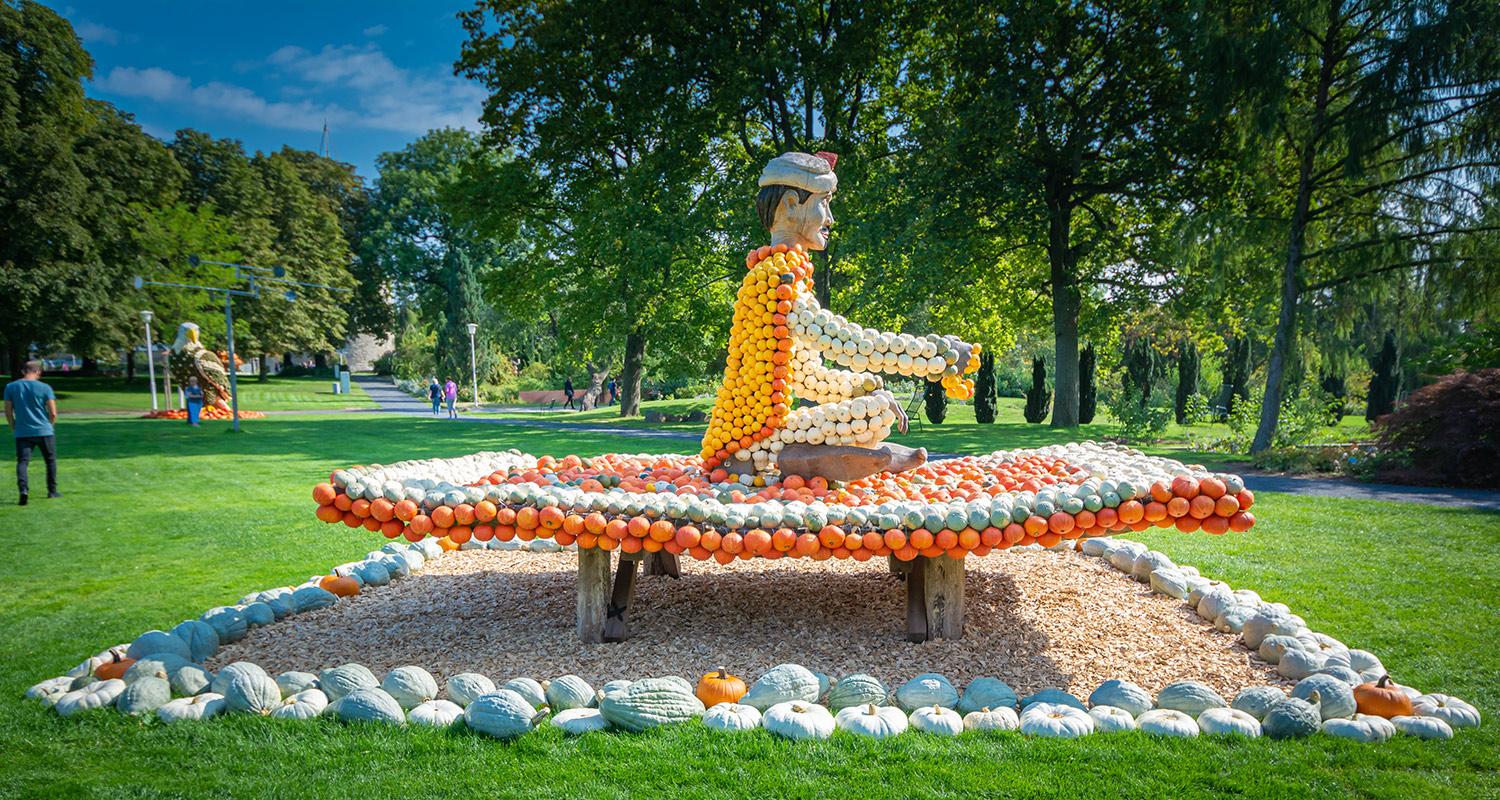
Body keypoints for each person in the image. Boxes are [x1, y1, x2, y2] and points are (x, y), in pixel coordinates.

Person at [699, 152, 978, 482]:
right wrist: (938, 357)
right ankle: (822, 460)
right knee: (875, 413)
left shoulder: (776, 275)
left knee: (874, 401)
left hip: (751, 437)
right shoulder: (777, 281)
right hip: (750, 442)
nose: (830, 219)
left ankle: (840, 458)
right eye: (825, 203)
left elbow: (807, 376)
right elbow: (847, 345)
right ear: (790, 204)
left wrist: (863, 387)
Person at [4, 360, 60, 505]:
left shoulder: (11, 387)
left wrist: (13, 426)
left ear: (23, 371)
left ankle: (23, 490)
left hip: (22, 431)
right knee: (50, 461)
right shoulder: (45, 387)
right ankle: (52, 491)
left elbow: (8, 411)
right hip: (44, 430)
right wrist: (50, 426)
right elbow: (53, 413)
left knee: (22, 462)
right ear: (38, 372)